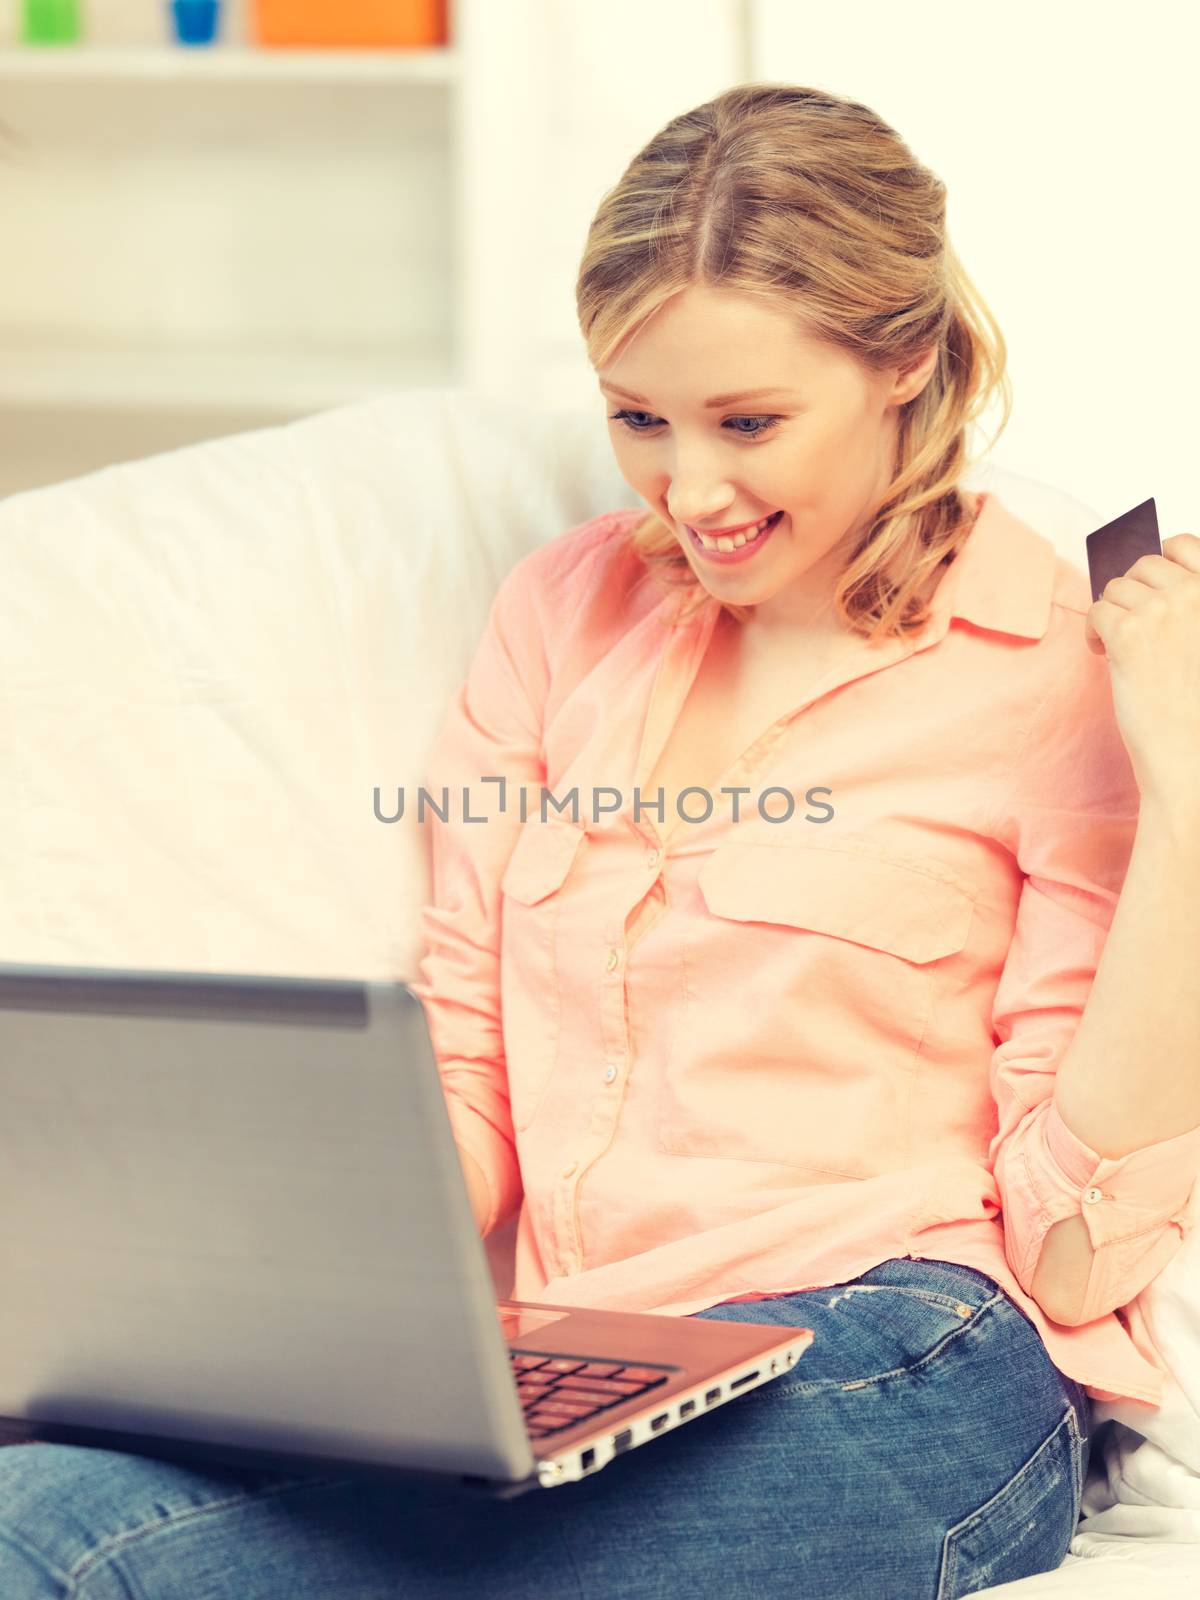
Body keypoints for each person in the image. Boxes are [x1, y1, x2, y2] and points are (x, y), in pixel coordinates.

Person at [2, 81, 1198, 1600]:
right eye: (638, 419)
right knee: (37, 1499)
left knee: (89, 1561)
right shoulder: (564, 616)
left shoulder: (1059, 660)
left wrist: (1191, 801)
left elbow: (1085, 1254)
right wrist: (260, 1309)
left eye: (749, 423)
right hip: (580, 1366)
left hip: (914, 1361)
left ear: (904, 362)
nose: (690, 491)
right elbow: (468, 1077)